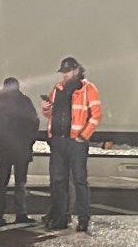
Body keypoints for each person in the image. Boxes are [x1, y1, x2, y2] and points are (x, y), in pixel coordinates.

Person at [41, 56, 103, 233]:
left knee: (79, 181)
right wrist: (45, 108)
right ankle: (60, 218)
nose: (65, 75)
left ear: (76, 70)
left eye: (67, 71)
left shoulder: (88, 89)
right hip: (59, 141)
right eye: (63, 72)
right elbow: (51, 114)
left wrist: (83, 136)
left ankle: (83, 219)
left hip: (76, 142)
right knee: (58, 181)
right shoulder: (57, 88)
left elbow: (96, 115)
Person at [0, 77, 40, 226]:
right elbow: (34, 123)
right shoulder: (25, 102)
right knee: (20, 183)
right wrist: (29, 141)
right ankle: (20, 213)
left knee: (2, 183)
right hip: (21, 149)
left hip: (4, 150)